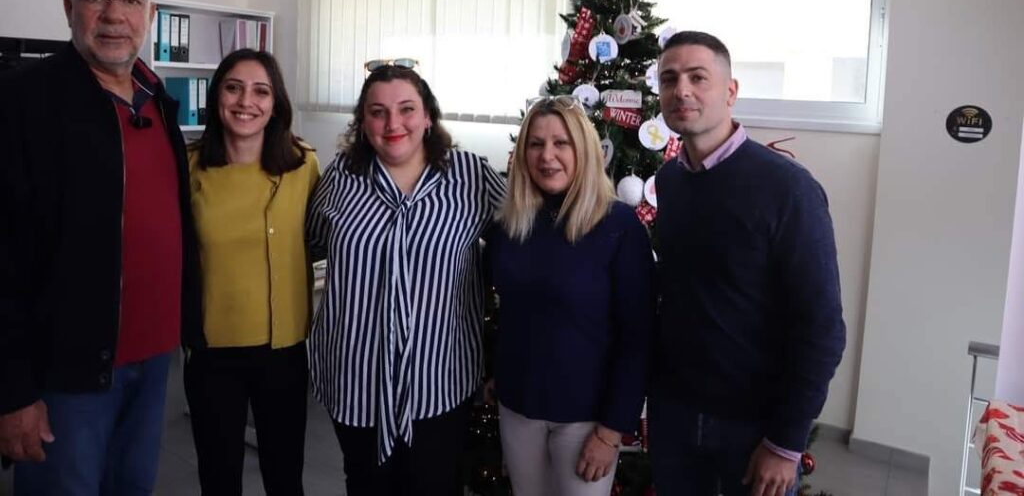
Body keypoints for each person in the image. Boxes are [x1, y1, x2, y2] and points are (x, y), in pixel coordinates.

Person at [0, 0, 203, 494]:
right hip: (66, 370)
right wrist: (12, 391)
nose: (114, 14)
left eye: (130, 0)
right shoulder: (22, 102)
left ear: (150, 14)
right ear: (70, 8)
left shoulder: (156, 97)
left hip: (155, 360)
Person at [649, 31, 846, 496]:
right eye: (669, 79)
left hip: (754, 426)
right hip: (675, 415)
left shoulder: (787, 189)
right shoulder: (670, 181)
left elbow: (821, 328)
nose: (682, 90)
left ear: (731, 91)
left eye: (698, 77)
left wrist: (786, 442)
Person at [306, 64, 506, 496]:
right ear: (363, 122)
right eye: (377, 112)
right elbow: (312, 240)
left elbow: (525, 233)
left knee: (436, 485)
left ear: (428, 116)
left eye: (407, 109)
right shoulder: (341, 177)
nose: (392, 123)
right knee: (366, 485)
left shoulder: (471, 176)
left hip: (439, 380)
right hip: (355, 379)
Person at [486, 95, 654, 496]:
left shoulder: (620, 227)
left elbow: (639, 338)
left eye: (561, 143)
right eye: (536, 144)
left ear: (584, 150)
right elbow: (505, 310)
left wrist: (611, 431)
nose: (547, 156)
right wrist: (496, 370)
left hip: (587, 420)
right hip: (518, 407)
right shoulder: (509, 224)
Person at [183, 49, 320, 495]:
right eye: (233, 88)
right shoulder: (188, 165)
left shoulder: (303, 164)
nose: (246, 102)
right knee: (219, 477)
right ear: (216, 96)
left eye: (261, 91)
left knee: (285, 477)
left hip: (283, 350)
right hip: (212, 350)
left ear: (276, 104)